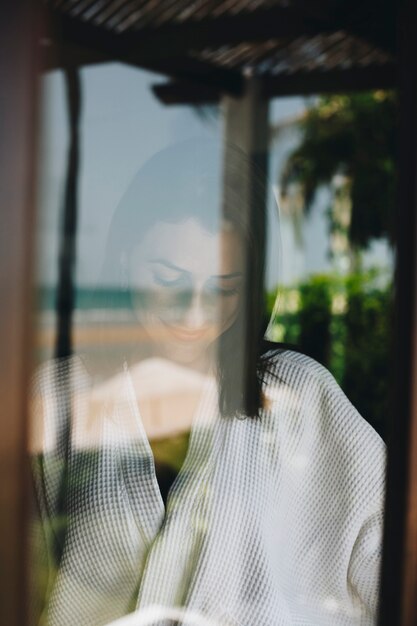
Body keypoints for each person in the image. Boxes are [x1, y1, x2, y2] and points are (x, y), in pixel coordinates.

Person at [30, 139, 385, 626]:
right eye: (169, 279)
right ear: (125, 258)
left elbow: (383, 542)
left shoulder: (298, 394)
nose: (195, 312)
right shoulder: (59, 397)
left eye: (224, 288)